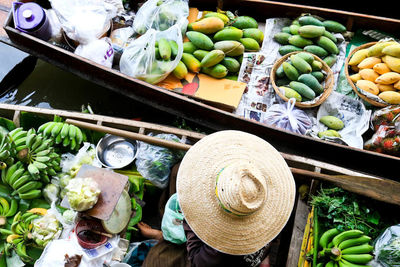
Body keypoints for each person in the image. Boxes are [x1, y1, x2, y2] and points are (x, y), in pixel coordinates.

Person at [139, 130, 296, 267]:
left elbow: (196, 258)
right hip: (242, 227)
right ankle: (166, 232)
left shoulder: (215, 254)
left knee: (157, 260)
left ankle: (163, 235)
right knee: (178, 171)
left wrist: (190, 217)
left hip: (224, 256)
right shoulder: (258, 194)